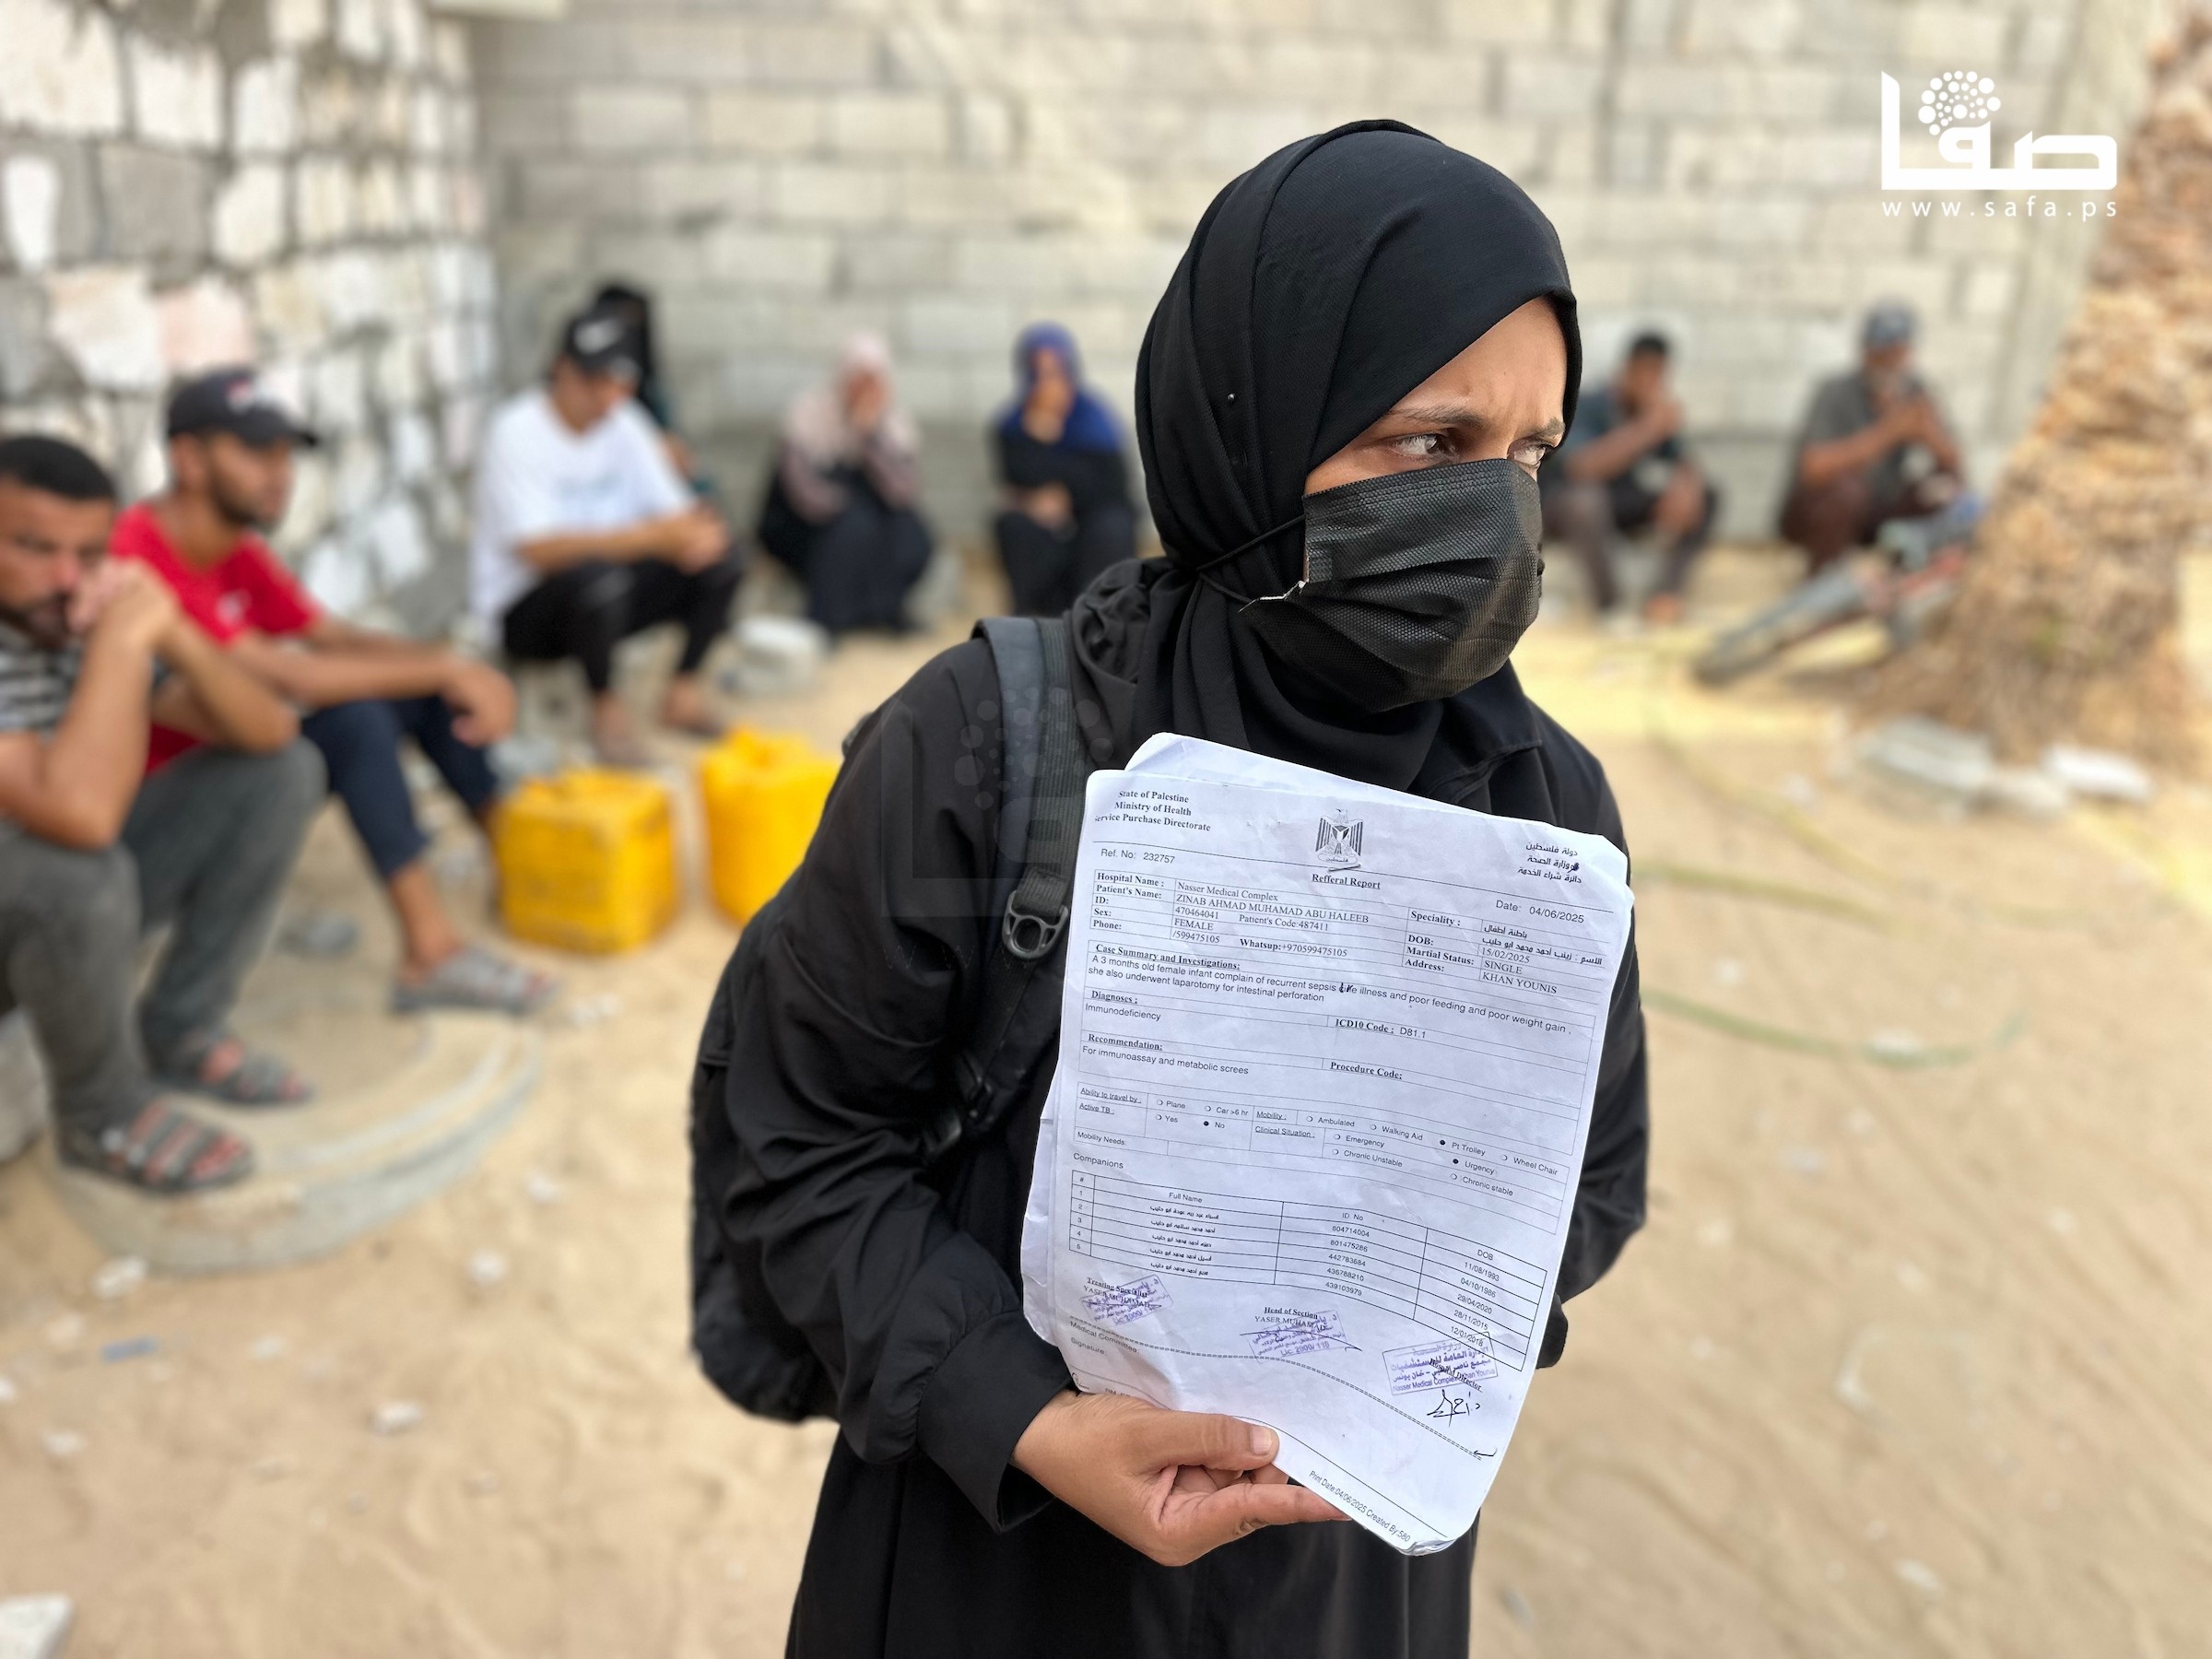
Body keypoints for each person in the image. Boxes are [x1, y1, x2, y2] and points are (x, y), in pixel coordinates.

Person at [717, 123, 1648, 1658]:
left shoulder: (1545, 816)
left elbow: (1592, 1180)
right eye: (1431, 446)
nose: (1497, 518)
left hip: (1343, 1576)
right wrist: (1019, 1413)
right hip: (992, 1564)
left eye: (1531, 455)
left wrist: (1415, 1315)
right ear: (1253, 426)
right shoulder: (983, 750)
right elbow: (800, 1148)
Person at [117, 369, 557, 1018]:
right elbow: (290, 675)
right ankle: (429, 955)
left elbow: (330, 636)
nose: (280, 474)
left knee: (415, 688)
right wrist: (448, 667)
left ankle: (528, 870)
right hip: (151, 814)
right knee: (356, 719)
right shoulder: (138, 555)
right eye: (256, 452)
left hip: (231, 765)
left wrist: (451, 669)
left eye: (285, 455)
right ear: (188, 459)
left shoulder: (232, 548)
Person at [0, 435, 323, 1191]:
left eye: (88, 554)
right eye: (32, 547)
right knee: (78, 872)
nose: (66, 578)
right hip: (38, 904)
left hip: (59, 911)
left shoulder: (62, 622)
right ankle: (102, 1115)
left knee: (279, 776)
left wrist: (171, 628)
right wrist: (121, 642)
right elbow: (81, 818)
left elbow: (270, 729)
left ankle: (180, 1026)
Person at [472, 304, 739, 767]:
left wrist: (695, 534)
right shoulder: (515, 430)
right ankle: (606, 710)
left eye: (615, 383)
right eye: (592, 381)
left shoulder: (626, 423)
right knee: (597, 577)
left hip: (610, 595)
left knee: (722, 557)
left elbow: (675, 514)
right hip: (526, 609)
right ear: (561, 370)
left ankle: (682, 692)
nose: (604, 396)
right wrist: (649, 538)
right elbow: (538, 550)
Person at [755, 334, 934, 635]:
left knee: (911, 536)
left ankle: (885, 611)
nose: (866, 389)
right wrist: (847, 507)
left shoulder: (893, 418)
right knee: (853, 528)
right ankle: (829, 618)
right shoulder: (809, 412)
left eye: (874, 380)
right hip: (802, 519)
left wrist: (869, 434)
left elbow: (903, 490)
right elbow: (803, 491)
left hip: (866, 509)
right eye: (859, 379)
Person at [1778, 301, 1973, 571]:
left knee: (1944, 490)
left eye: (1897, 353)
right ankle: (1823, 581)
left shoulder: (1916, 392)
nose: (1890, 362)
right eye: (1882, 353)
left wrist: (1929, 434)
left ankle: (1908, 577)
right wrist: (1887, 433)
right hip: (1818, 513)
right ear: (1866, 351)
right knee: (1846, 492)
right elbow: (1813, 468)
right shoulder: (1835, 391)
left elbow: (1956, 466)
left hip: (1881, 511)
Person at [1540, 331, 1719, 624]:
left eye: (1659, 375)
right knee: (1585, 500)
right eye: (1646, 373)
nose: (1652, 384)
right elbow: (1582, 468)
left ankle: (1666, 594)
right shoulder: (1590, 404)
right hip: (1562, 508)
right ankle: (1611, 607)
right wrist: (1648, 429)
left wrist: (1686, 486)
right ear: (1628, 370)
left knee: (1707, 496)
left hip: (1618, 503)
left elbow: (1682, 460)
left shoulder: (1649, 412)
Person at [992, 323, 1138, 616]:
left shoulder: (1094, 420)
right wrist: (1038, 437)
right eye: (1039, 374)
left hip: (1092, 524)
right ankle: (1030, 615)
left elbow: (1112, 485)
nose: (1048, 385)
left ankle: (1100, 615)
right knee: (1014, 523)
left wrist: (1064, 495)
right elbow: (1016, 476)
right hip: (1046, 534)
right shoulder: (1014, 425)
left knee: (1112, 525)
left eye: (1056, 372)